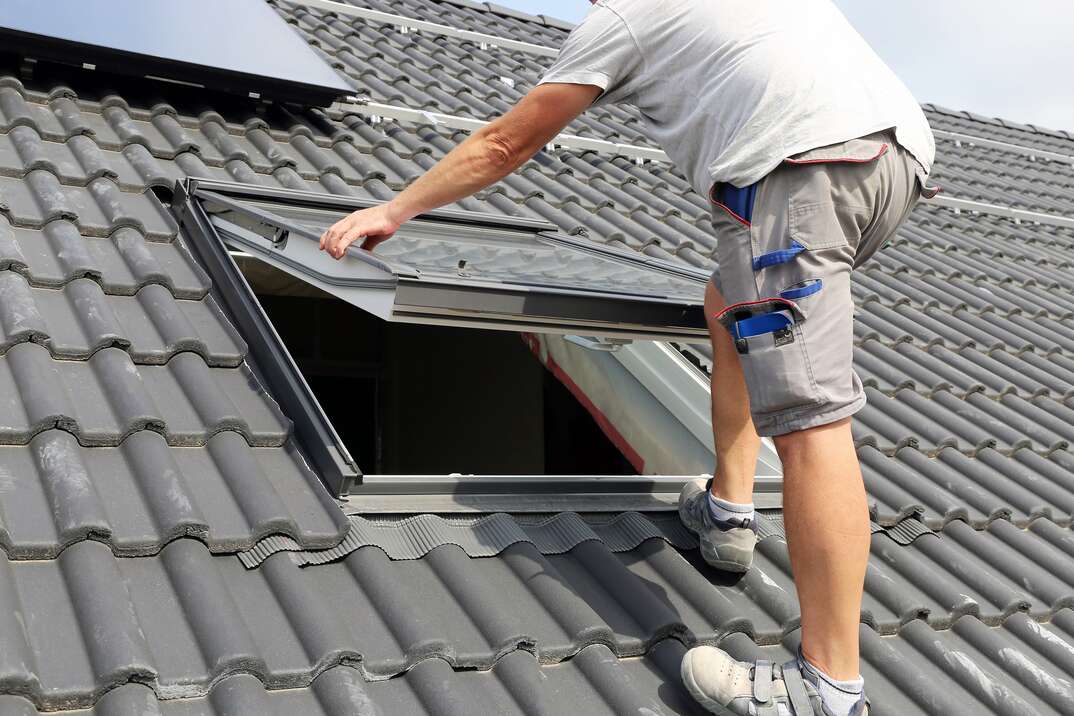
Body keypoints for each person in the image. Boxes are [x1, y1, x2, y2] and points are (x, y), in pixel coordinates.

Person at [320, 1, 936, 713]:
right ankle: (731, 510)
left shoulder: (628, 16)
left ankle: (827, 686)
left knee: (810, 420)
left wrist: (394, 209)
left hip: (803, 171)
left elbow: (506, 144)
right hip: (896, 162)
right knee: (728, 298)